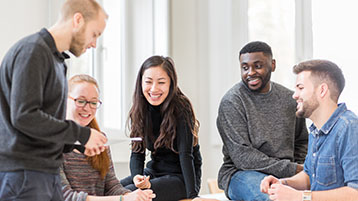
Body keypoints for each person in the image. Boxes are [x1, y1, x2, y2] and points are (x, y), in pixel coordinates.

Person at [0, 0, 108, 200]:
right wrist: (81, 134)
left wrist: (77, 145)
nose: (94, 43)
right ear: (78, 20)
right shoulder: (33, 51)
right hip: (24, 175)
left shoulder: (58, 62)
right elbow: (25, 116)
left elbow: (44, 126)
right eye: (95, 34)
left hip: (44, 174)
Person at [216, 41, 308, 201]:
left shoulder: (289, 99)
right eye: (245, 68)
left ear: (272, 65)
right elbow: (243, 157)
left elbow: (301, 141)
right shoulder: (232, 102)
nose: (250, 73)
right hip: (241, 173)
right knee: (272, 197)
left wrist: (301, 170)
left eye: (257, 66)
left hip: (287, 173)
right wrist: (294, 169)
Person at [260, 59, 358, 201]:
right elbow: (309, 175)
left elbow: (355, 193)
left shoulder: (350, 128)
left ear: (322, 90)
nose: (294, 95)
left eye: (300, 88)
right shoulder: (315, 131)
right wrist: (283, 183)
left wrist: (301, 197)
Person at [120, 56, 202, 201]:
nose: (154, 89)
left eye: (161, 82)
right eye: (148, 82)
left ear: (171, 83)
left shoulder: (182, 107)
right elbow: (137, 153)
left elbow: (186, 154)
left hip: (181, 178)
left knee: (131, 195)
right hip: (154, 172)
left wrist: (192, 196)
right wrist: (136, 178)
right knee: (113, 191)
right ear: (141, 82)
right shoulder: (139, 110)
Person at [61, 74, 155, 201]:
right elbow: (66, 197)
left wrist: (132, 196)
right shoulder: (53, 142)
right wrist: (123, 199)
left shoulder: (100, 139)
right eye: (81, 101)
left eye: (94, 102)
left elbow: (111, 186)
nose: (87, 108)